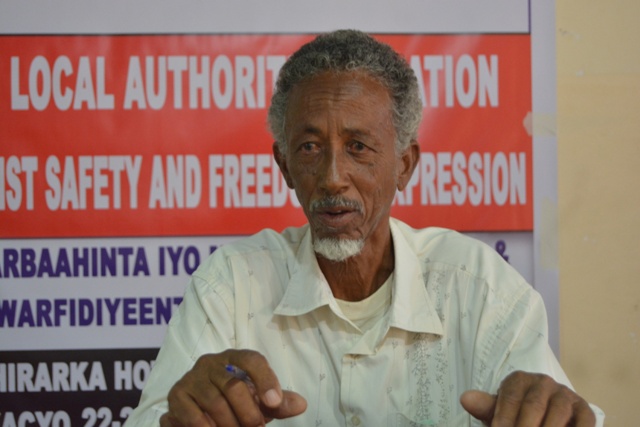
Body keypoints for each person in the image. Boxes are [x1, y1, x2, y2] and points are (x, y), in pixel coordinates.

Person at [125, 30, 604, 427]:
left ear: (404, 165)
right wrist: (181, 416)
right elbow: (155, 418)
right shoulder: (231, 287)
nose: (333, 177)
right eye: (310, 148)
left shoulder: (479, 289)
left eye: (358, 147)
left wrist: (552, 412)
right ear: (284, 166)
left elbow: (552, 411)